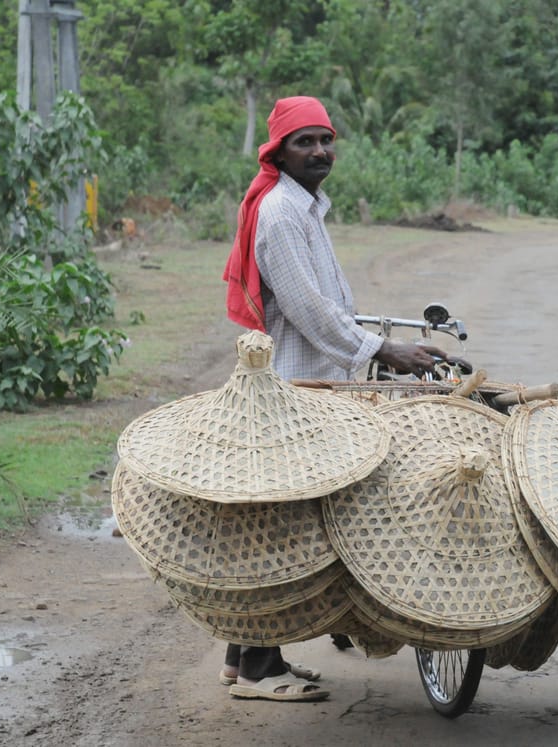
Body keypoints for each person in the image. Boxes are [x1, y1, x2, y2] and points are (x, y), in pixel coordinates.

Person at [221, 95, 447, 702]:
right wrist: (382, 351)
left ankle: (242, 654)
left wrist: (379, 343)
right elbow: (310, 312)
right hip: (297, 386)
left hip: (313, 379)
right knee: (289, 523)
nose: (320, 151)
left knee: (278, 514)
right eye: (305, 142)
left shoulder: (305, 207)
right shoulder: (280, 213)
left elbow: (327, 305)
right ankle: (259, 671)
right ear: (279, 151)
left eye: (326, 140)